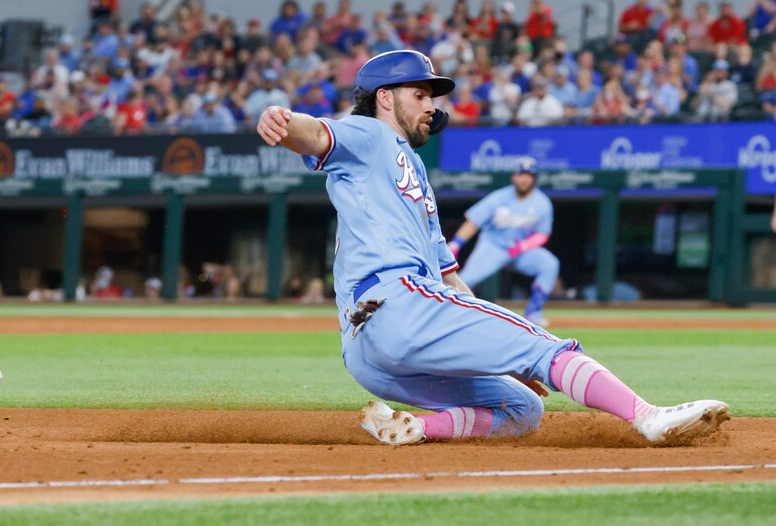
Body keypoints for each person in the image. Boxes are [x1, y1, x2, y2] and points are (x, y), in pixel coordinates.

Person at [256, 49, 728, 446]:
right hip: (398, 304)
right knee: (545, 345)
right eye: (419, 94)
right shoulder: (373, 135)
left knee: (521, 408)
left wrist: (496, 349)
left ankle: (414, 428)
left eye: (431, 97)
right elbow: (318, 133)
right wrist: (282, 118)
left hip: (368, 350)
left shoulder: (414, 178)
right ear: (384, 97)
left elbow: (451, 280)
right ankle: (648, 417)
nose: (430, 106)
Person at [446, 157, 557, 326]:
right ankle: (445, 312)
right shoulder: (499, 197)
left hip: (520, 250)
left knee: (550, 264)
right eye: (521, 174)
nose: (524, 178)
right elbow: (473, 222)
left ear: (534, 178)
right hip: (493, 246)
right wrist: (456, 243)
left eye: (529, 175)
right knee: (466, 280)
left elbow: (543, 234)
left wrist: (524, 246)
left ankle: (533, 311)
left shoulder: (542, 203)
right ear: (514, 176)